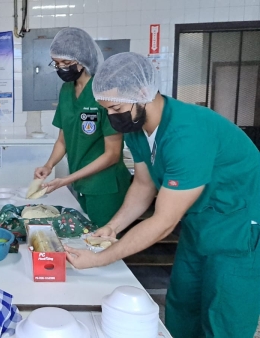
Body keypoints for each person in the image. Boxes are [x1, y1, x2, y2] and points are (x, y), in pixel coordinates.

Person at [65, 52, 260, 338]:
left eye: (116, 107)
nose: (112, 117)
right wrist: (112, 227)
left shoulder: (187, 132)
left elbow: (163, 223)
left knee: (224, 316)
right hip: (199, 223)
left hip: (237, 225)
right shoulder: (136, 127)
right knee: (182, 304)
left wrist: (97, 259)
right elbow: (144, 186)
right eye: (106, 110)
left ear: (143, 92)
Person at [34, 27, 131, 227]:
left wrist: (67, 179)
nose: (61, 68)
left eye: (67, 63)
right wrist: (48, 165)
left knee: (104, 243)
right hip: (81, 183)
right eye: (57, 63)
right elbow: (63, 138)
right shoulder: (66, 90)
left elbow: (112, 154)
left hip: (105, 186)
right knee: (86, 239)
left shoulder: (105, 91)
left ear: (83, 59)